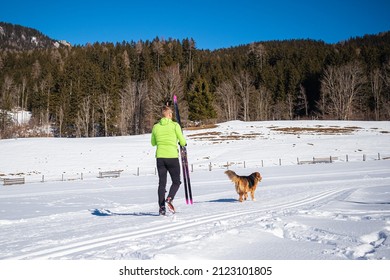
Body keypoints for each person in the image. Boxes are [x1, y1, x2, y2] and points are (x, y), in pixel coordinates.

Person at [151, 105, 186, 215]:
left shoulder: (156, 127)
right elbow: (182, 141)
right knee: (176, 181)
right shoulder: (175, 125)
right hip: (172, 157)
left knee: (162, 183)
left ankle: (161, 207)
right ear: (170, 114)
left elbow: (153, 143)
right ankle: (169, 199)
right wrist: (182, 143)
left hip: (160, 158)